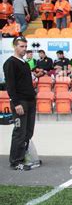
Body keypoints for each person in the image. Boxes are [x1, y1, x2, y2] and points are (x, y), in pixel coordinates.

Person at [3, 36, 37, 170]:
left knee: (28, 132)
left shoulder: (25, 63)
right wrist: (16, 103)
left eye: (25, 46)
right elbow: (10, 86)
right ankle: (15, 162)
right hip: (20, 103)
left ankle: (23, 157)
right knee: (19, 132)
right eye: (21, 46)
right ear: (15, 47)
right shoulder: (10, 63)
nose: (24, 49)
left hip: (30, 102)